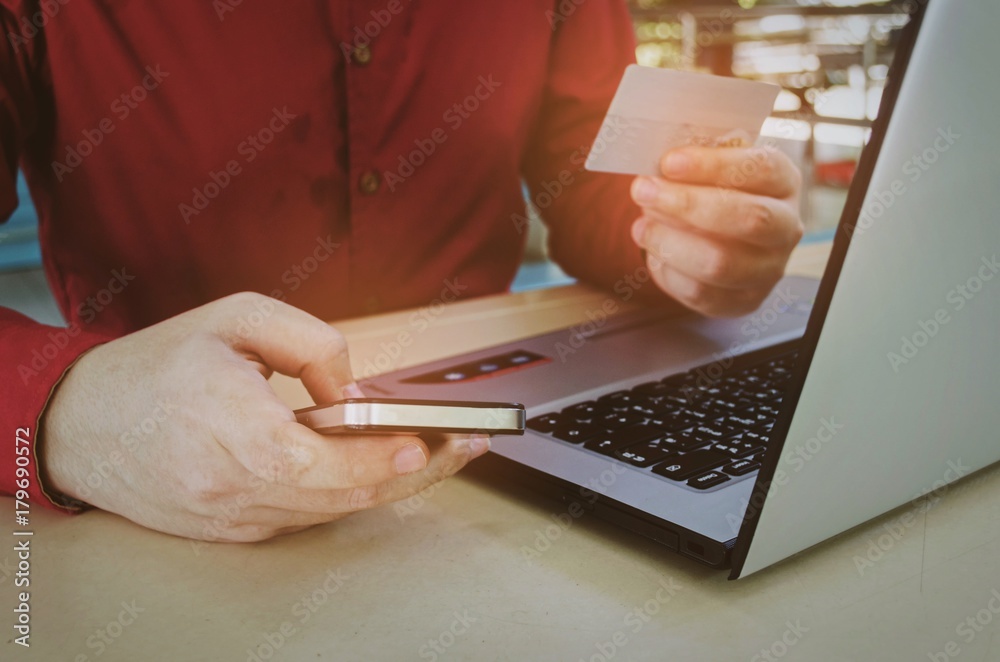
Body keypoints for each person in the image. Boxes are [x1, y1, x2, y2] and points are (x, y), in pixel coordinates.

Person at [0, 2, 802, 541]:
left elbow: (587, 170)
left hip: (497, 461)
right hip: (146, 509)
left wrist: (683, 233)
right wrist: (60, 408)